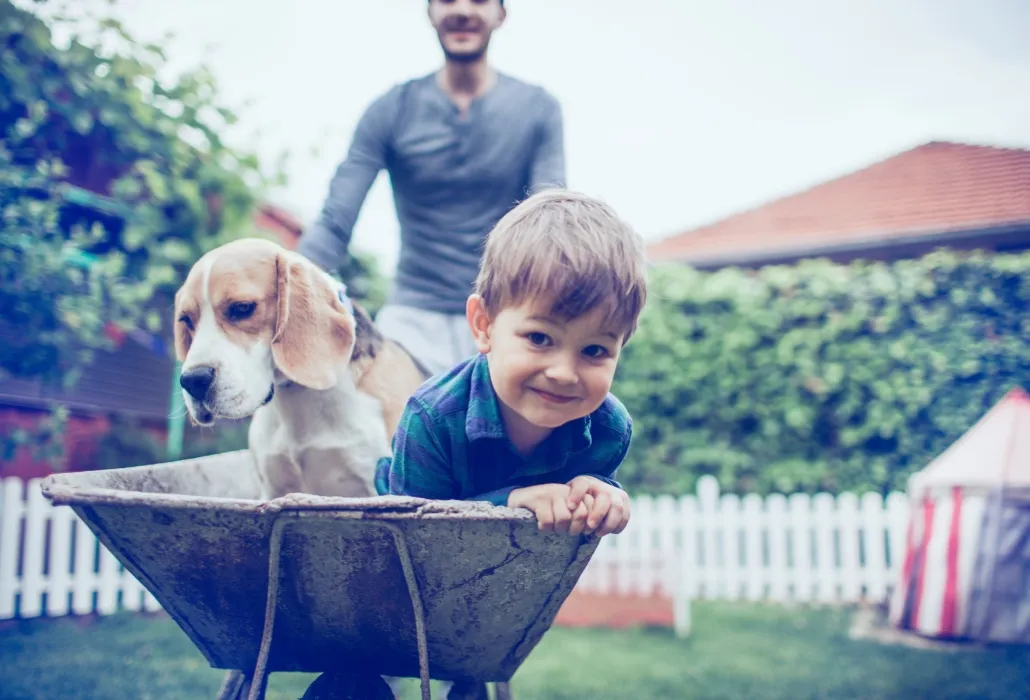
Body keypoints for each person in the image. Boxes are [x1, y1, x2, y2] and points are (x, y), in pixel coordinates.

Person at [298, 0, 566, 376]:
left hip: (505, 316)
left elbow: (548, 217)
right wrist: (287, 285)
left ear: (501, 14)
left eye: (479, 0)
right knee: (399, 424)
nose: (462, 10)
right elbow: (336, 220)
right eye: (447, 0)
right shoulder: (390, 110)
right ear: (429, 12)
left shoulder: (538, 109)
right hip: (411, 322)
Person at [375, 189, 648, 538]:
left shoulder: (609, 430)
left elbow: (557, 554)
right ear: (483, 325)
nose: (563, 373)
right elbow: (414, 537)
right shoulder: (431, 419)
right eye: (539, 338)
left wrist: (600, 491)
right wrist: (511, 503)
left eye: (594, 350)